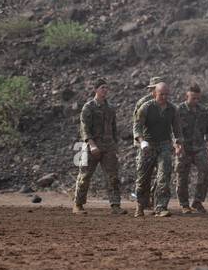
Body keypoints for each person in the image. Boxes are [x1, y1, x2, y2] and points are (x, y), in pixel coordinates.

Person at [73, 80, 124, 215]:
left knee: (113, 176)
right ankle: (78, 204)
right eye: (102, 88)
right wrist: (92, 145)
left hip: (108, 146)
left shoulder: (110, 108)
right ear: (95, 90)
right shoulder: (88, 107)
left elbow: (114, 129)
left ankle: (115, 205)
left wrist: (115, 147)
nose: (105, 90)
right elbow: (84, 128)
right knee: (84, 176)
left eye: (107, 88)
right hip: (89, 146)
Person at [132, 77, 180, 217]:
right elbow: (137, 126)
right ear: (154, 93)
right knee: (143, 177)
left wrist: (178, 143)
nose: (164, 97)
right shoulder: (146, 107)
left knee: (164, 176)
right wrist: (141, 141)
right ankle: (140, 205)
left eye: (166, 94)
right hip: (148, 146)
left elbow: (177, 129)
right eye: (161, 94)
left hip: (164, 145)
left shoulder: (172, 109)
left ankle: (160, 207)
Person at [174, 83, 208, 213]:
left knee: (205, 171)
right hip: (184, 148)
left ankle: (197, 201)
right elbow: (173, 131)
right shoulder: (179, 110)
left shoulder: (203, 110)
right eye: (193, 98)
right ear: (187, 96)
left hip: (199, 147)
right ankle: (184, 204)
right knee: (182, 176)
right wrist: (177, 146)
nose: (195, 101)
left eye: (197, 98)